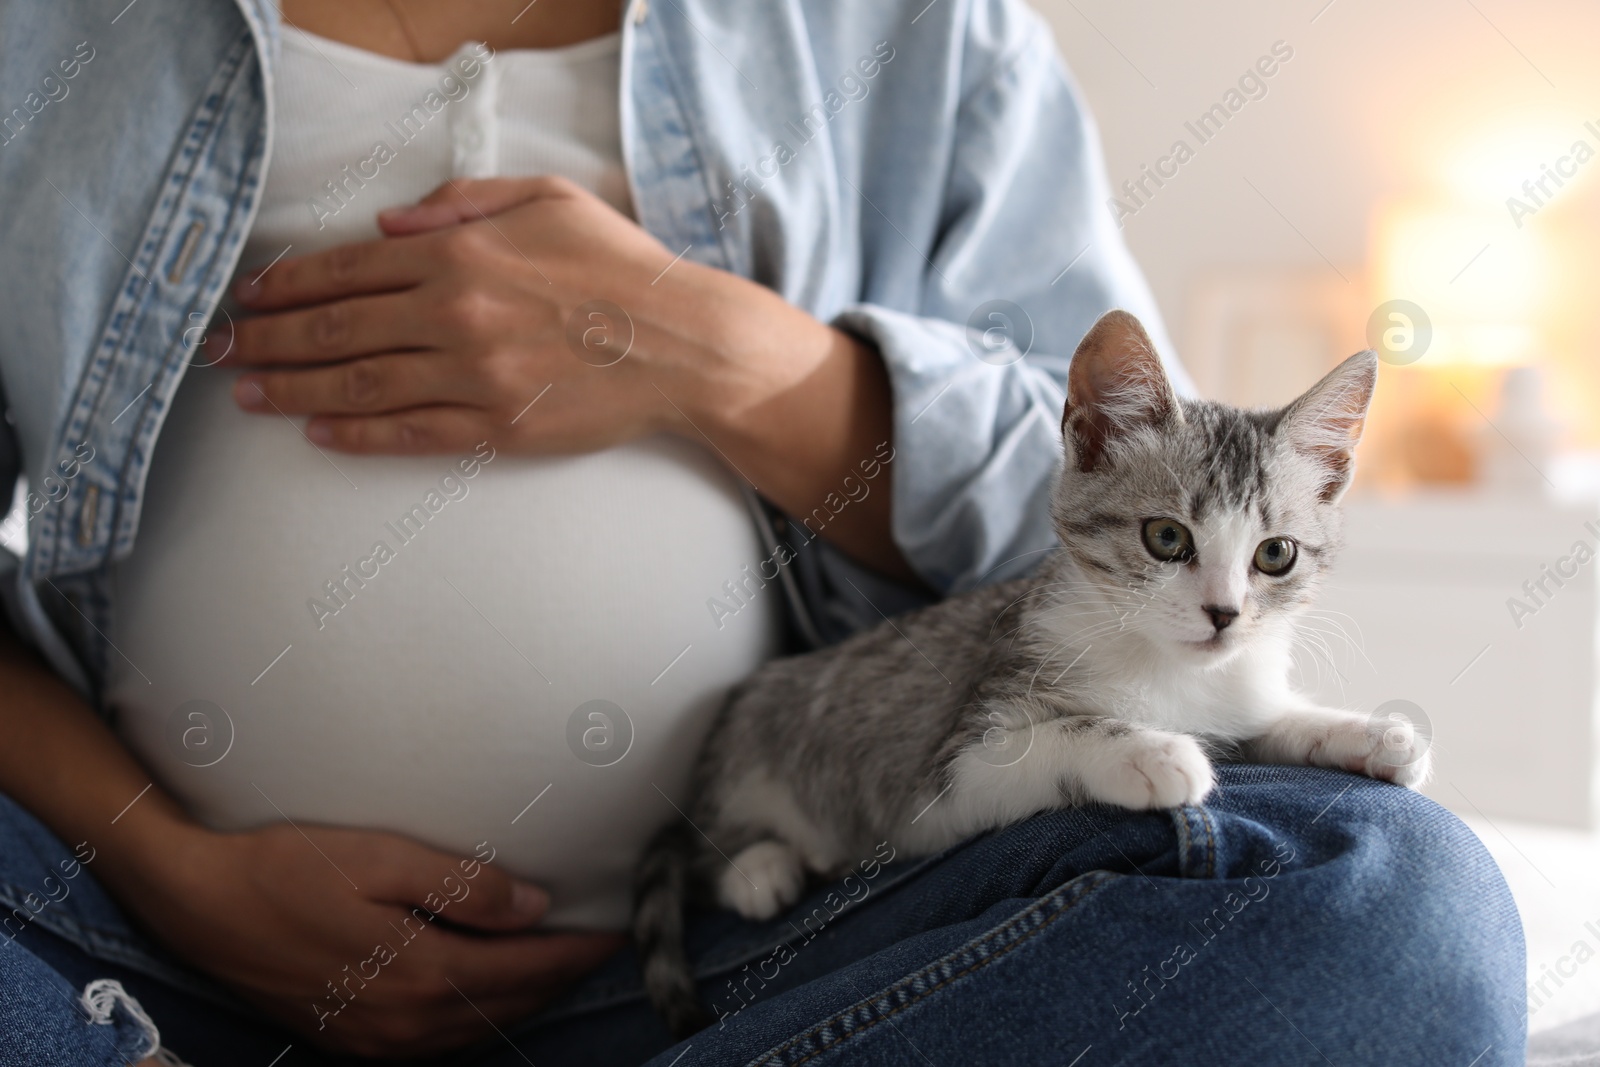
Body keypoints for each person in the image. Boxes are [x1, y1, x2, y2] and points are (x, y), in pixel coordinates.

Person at [0, 1, 1524, 1064]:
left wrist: (724, 356)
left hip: (770, 948)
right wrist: (171, 869)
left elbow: (1109, 531)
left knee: (1391, 912)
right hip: (138, 939)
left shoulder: (916, 30)